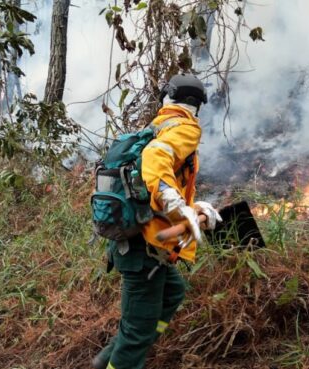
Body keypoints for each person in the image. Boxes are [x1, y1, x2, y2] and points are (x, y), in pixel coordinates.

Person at [92, 74, 222, 369]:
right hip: (144, 251)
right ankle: (126, 355)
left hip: (134, 242)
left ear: (168, 98)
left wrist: (193, 206)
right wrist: (179, 208)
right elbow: (155, 160)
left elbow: (155, 181)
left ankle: (107, 359)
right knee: (136, 332)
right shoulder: (185, 127)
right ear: (196, 105)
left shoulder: (158, 126)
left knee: (173, 293)